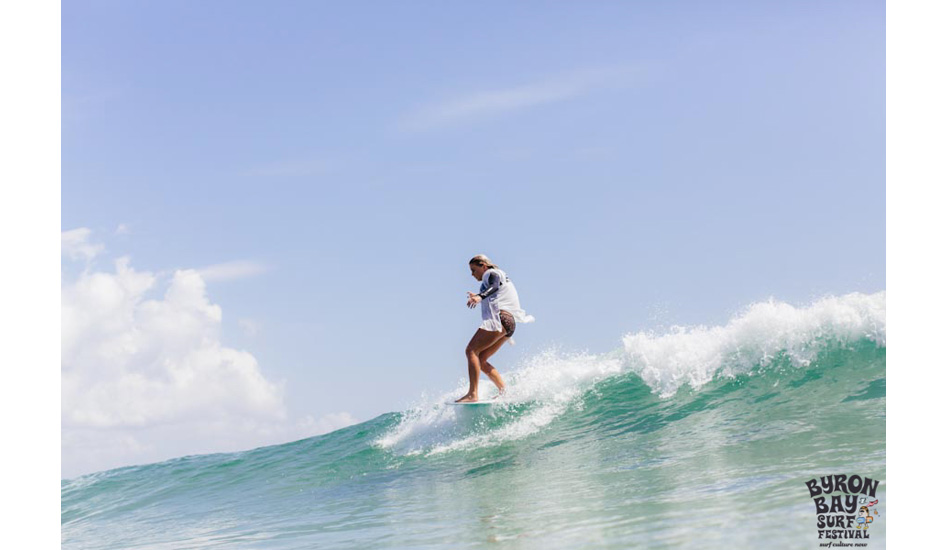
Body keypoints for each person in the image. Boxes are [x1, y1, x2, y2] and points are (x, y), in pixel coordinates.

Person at [456, 254, 534, 403]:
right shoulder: (500, 276)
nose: (472, 275)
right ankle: (504, 391)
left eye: (474, 270)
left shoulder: (492, 273)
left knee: (471, 350)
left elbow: (494, 286)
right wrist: (480, 295)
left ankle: (472, 393)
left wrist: (480, 297)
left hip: (501, 319)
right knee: (481, 359)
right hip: (509, 323)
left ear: (483, 266)